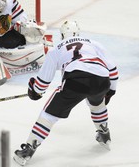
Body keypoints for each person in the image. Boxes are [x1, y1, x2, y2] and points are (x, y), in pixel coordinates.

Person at [13, 21, 119, 166]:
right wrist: (111, 90)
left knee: (48, 115)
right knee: (97, 103)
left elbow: (43, 82)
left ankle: (28, 149)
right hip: (101, 78)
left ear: (62, 35)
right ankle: (104, 134)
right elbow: (112, 69)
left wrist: (35, 91)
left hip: (76, 80)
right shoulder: (93, 43)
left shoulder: (57, 48)